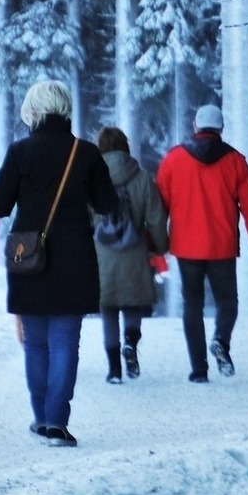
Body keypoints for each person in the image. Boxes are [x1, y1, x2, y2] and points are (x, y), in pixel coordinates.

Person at [0, 80, 117, 446]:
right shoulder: (86, 153)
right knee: (65, 344)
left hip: (28, 256)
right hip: (75, 258)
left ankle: (41, 417)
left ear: (34, 111)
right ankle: (58, 422)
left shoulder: (20, 152)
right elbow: (108, 205)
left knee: (35, 344)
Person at [155, 104, 248, 382]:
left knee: (191, 304)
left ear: (195, 126)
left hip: (186, 247)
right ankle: (220, 340)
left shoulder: (173, 160)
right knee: (227, 301)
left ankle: (198, 370)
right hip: (222, 245)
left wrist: (157, 250)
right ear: (220, 128)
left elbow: (158, 209)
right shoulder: (235, 161)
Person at [93, 127, 169, 384]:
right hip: (134, 250)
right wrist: (160, 246)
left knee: (109, 309)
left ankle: (114, 370)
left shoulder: (90, 177)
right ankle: (130, 344)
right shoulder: (142, 177)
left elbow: (85, 217)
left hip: (102, 254)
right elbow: (156, 218)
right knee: (132, 303)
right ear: (125, 147)